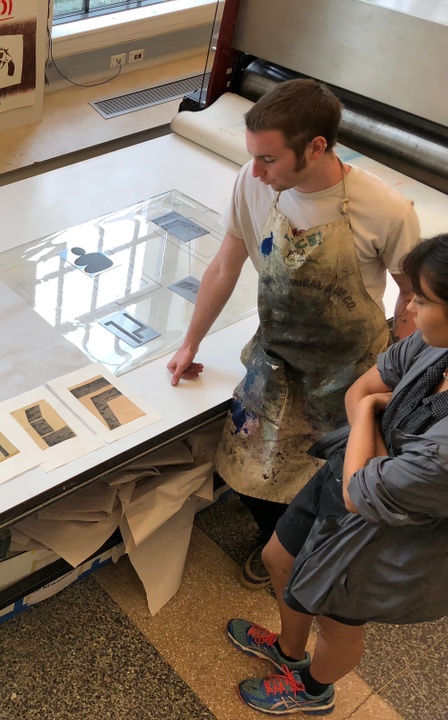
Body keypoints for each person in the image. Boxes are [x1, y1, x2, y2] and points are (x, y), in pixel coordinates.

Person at [166, 79, 421, 590]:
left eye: (269, 160)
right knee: (244, 463)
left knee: (330, 474)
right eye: (252, 158)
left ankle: (302, 550)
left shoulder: (386, 210)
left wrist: (394, 377)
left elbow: (412, 301)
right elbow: (224, 264)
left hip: (349, 368)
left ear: (316, 147)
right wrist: (190, 341)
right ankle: (275, 540)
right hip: (276, 358)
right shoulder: (253, 183)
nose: (256, 172)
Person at [226, 232, 448, 716]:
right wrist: (368, 422)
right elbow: (360, 388)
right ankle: (288, 651)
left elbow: (360, 490)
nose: (406, 308)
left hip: (385, 535)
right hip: (347, 477)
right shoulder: (434, 346)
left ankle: (313, 690)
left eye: (421, 299)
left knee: (337, 620)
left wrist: (369, 412)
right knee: (278, 557)